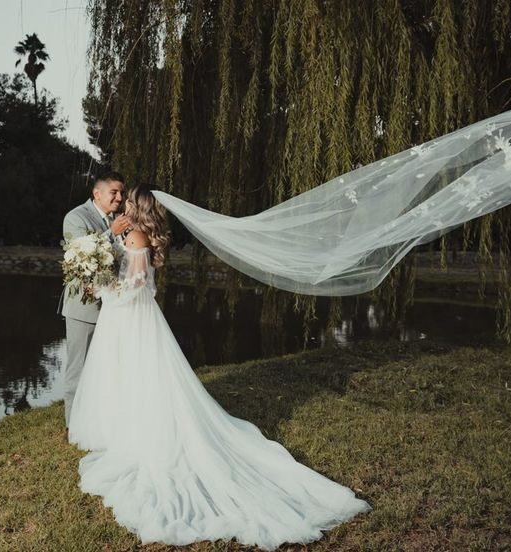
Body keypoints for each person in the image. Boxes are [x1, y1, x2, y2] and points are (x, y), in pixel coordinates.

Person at [67, 183, 371, 550]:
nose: (123, 205)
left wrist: (103, 288)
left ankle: (137, 431)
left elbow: (136, 286)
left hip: (130, 318)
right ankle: (125, 425)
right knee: (136, 377)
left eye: (128, 200)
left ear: (137, 207)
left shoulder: (136, 237)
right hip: (133, 318)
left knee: (136, 376)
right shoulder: (134, 233)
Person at [56, 171, 131, 431]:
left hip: (114, 307)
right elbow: (82, 257)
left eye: (122, 193)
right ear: (97, 193)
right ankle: (73, 426)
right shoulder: (76, 217)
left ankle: (99, 422)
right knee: (78, 370)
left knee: (107, 369)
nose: (119, 198)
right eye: (114, 192)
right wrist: (112, 233)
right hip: (85, 308)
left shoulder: (118, 219)